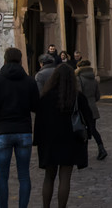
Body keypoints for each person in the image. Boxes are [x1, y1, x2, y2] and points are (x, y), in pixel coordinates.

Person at [0, 46, 41, 208]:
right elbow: (36, 106)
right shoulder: (29, 81)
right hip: (23, 131)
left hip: (2, 131)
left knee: (2, 175)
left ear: (5, 60)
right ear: (21, 60)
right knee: (24, 175)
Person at [34, 63, 90, 208]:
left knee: (49, 177)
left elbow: (39, 121)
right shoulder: (77, 97)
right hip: (70, 140)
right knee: (65, 177)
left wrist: (38, 141)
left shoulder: (45, 97)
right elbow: (88, 118)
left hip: (49, 140)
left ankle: (45, 206)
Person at [75, 59, 106, 161]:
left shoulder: (78, 78)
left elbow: (78, 94)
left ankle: (82, 154)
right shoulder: (94, 79)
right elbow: (97, 95)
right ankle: (101, 148)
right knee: (92, 129)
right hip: (92, 107)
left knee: (82, 130)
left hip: (83, 108)